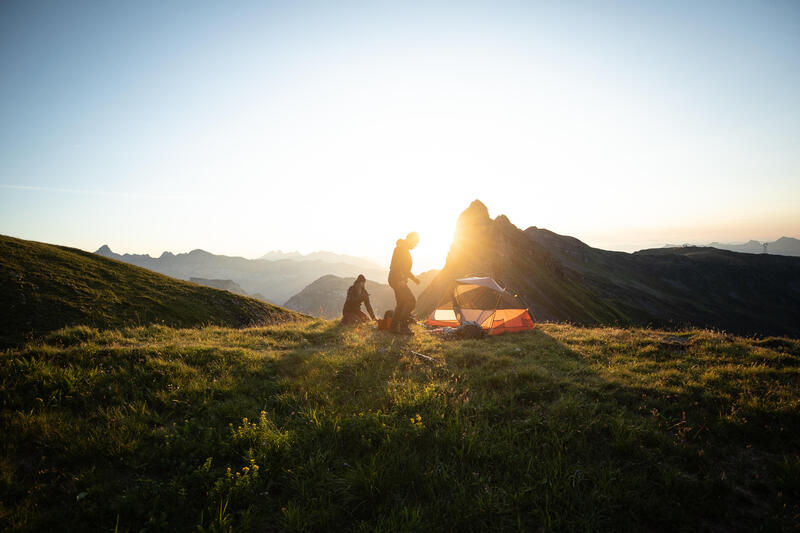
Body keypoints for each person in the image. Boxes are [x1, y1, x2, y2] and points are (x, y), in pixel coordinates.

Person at [388, 232, 420, 335]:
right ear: (410, 239)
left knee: (401, 303)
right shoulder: (401, 248)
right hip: (397, 279)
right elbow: (396, 265)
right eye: (415, 242)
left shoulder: (403, 248)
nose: (416, 245)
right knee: (411, 301)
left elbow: (404, 268)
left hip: (395, 278)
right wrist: (401, 279)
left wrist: (414, 278)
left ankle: (393, 328)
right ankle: (403, 326)